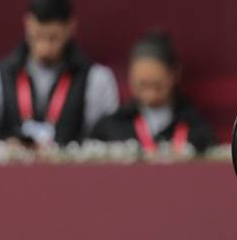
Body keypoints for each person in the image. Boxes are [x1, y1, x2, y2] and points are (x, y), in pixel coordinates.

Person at [0, 0, 118, 148]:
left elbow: (102, 148)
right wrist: (3, 149)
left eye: (53, 38)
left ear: (71, 27)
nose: (44, 48)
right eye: (37, 36)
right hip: (11, 171)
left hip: (70, 171)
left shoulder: (97, 79)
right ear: (27, 24)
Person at [87, 31, 217, 154]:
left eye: (158, 86)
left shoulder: (195, 127)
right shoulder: (112, 126)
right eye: (141, 85)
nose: (150, 94)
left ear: (175, 75)